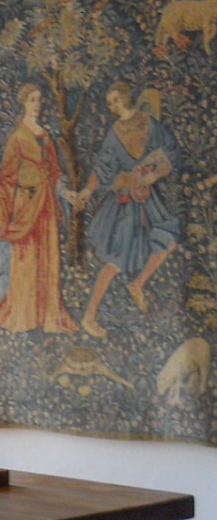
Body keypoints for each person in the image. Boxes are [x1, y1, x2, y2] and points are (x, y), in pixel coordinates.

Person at [72, 82, 181, 338]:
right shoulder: (115, 132)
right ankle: (89, 316)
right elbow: (102, 168)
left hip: (147, 197)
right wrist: (87, 191)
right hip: (124, 204)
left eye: (116, 100)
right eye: (110, 103)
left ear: (126, 97)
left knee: (167, 242)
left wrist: (152, 172)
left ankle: (138, 284)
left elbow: (171, 152)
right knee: (115, 261)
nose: (113, 106)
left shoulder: (149, 122)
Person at [0, 83, 77, 334]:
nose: (37, 104)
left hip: (46, 207)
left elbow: (54, 172)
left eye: (39, 99)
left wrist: (66, 193)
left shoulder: (46, 136)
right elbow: (8, 178)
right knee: (26, 258)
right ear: (23, 103)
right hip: (25, 205)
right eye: (32, 100)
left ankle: (47, 313)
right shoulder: (17, 137)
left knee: (48, 257)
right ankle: (23, 314)